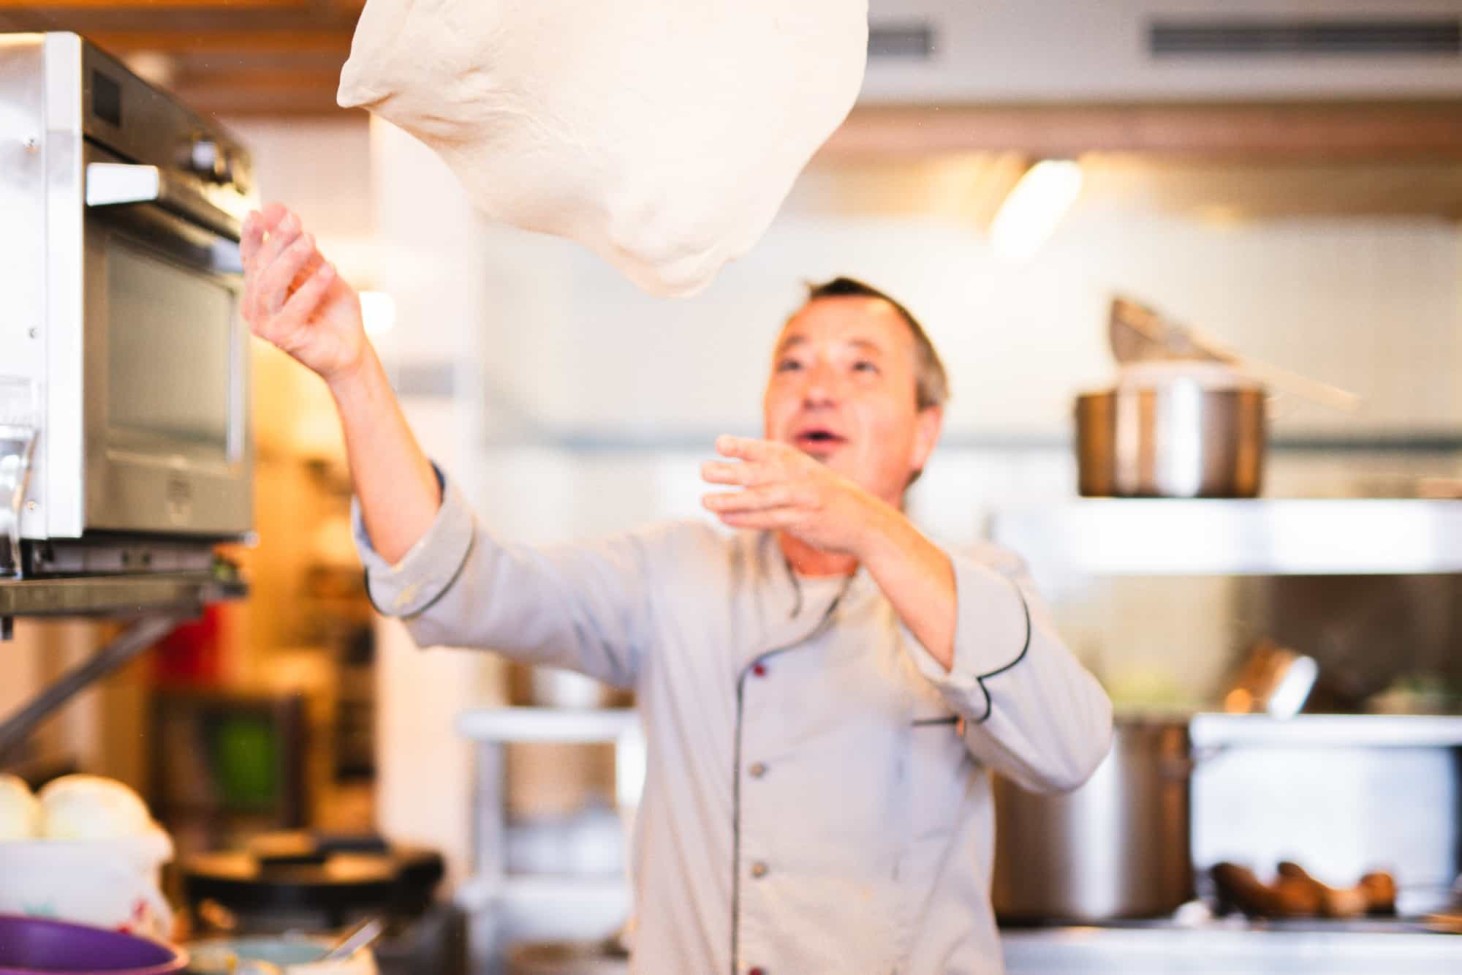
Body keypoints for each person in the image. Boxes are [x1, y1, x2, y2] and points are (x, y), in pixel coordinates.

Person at [241, 202, 1113, 975]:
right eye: (794, 363)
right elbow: (458, 583)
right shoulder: (677, 570)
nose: (818, 386)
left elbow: (1067, 748)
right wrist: (353, 371)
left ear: (925, 432)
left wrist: (867, 526)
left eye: (861, 369)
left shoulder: (977, 585)